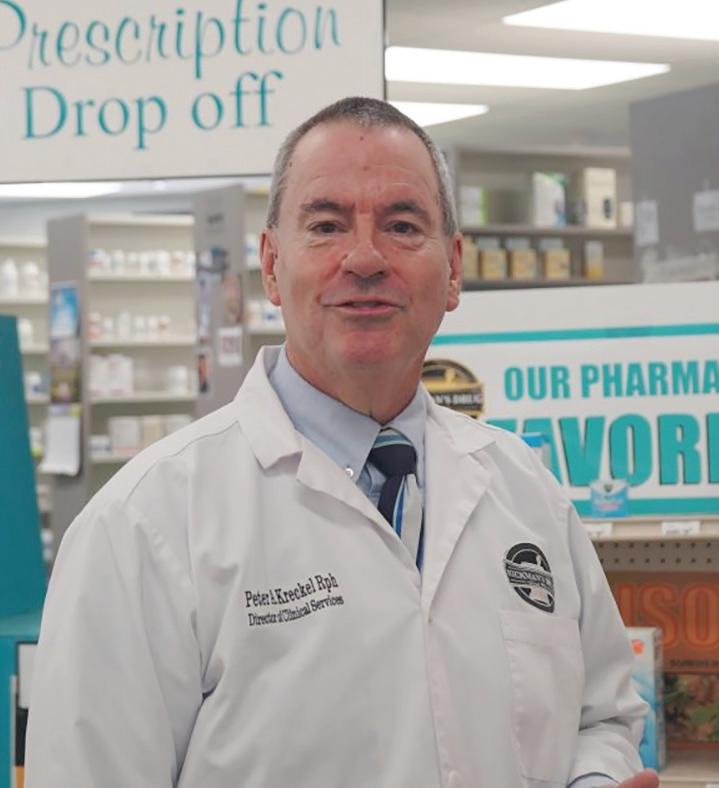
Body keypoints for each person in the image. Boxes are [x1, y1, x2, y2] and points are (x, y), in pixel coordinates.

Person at [25, 97, 658, 788]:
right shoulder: (144, 524)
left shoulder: (523, 488)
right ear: (272, 266)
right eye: (326, 226)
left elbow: (600, 717)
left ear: (453, 270)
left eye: (402, 226)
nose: (364, 258)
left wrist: (594, 779)